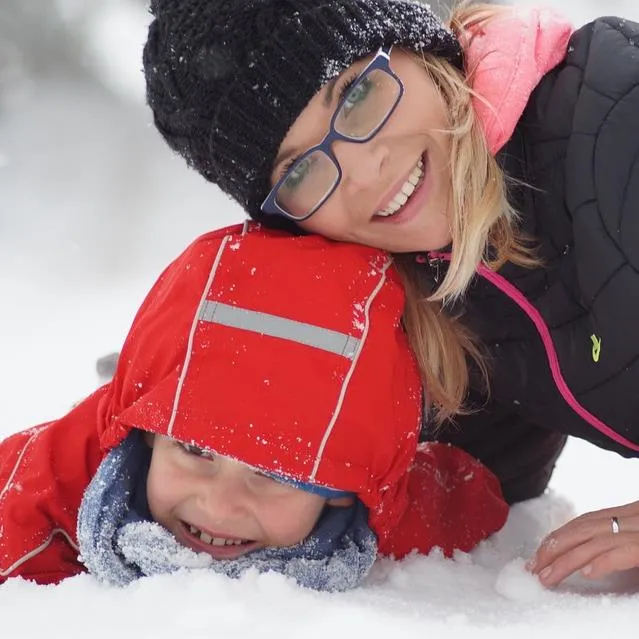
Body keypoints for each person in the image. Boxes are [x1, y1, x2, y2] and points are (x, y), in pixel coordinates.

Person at [142, 0, 639, 587]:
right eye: (298, 173)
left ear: (415, 44)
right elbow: (475, 481)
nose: (365, 170)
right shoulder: (438, 283)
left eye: (356, 96)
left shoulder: (610, 119)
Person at [0, 223, 507, 589]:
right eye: (196, 450)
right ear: (150, 434)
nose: (220, 507)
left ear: (344, 492)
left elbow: (467, 496)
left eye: (277, 473)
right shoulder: (33, 502)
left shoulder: (374, 510)